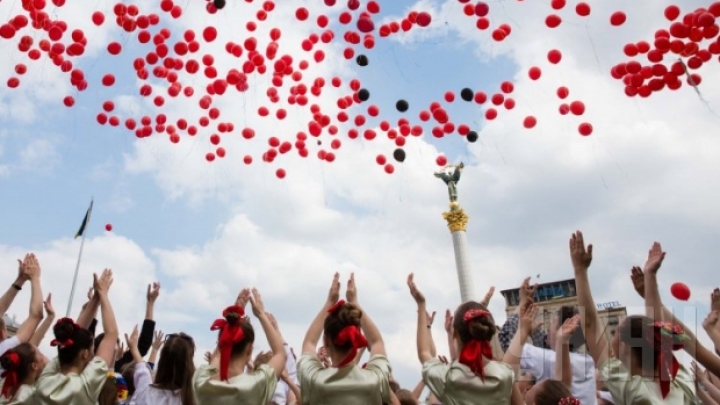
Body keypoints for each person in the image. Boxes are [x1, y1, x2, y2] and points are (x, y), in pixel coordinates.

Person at [571, 232, 696, 405]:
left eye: (615, 332)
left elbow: (591, 325)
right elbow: (659, 323)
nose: (610, 337)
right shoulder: (682, 382)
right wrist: (649, 290)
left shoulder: (633, 388)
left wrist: (580, 270)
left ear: (625, 347)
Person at [407, 273, 523, 405]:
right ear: (487, 332)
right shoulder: (506, 374)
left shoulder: (447, 377)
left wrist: (421, 305)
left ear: (455, 334)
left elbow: (424, 353)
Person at [499, 277, 596, 405]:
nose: (547, 330)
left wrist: (521, 304)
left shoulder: (549, 360)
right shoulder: (587, 361)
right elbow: (547, 345)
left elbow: (506, 339)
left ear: (562, 330)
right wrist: (532, 331)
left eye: (552, 323)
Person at [298, 273, 391, 405]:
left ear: (326, 342)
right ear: (357, 340)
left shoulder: (314, 380)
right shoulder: (374, 380)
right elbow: (377, 342)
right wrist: (354, 302)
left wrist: (329, 302)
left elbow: (309, 343)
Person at [35, 269, 119, 405]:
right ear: (85, 354)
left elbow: (73, 334)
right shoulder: (85, 385)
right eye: (92, 349)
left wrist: (96, 299)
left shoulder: (45, 379)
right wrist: (103, 294)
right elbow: (112, 335)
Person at [193, 288, 286, 405]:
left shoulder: (201, 382)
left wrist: (236, 312)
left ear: (221, 346)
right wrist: (261, 314)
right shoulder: (255, 385)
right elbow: (280, 354)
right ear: (249, 350)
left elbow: (216, 358)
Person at [126, 325, 195, 405]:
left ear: (162, 361)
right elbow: (143, 373)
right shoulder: (192, 398)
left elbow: (143, 373)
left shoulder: (145, 394)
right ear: (188, 365)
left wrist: (134, 348)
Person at [0, 255, 44, 358]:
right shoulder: (4, 350)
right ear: (2, 334)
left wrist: (20, 280)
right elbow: (36, 315)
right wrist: (35, 278)